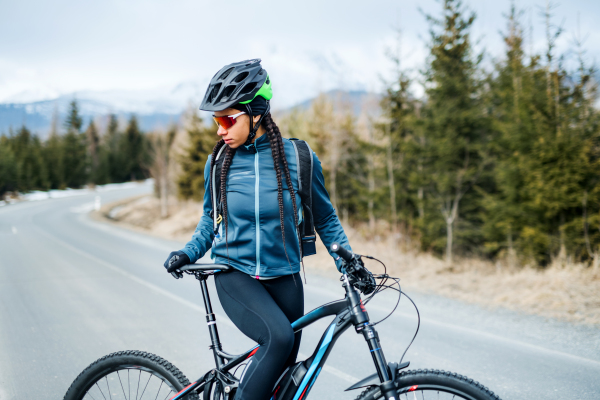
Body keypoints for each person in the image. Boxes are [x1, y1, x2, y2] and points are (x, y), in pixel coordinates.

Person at [163, 59, 353, 400]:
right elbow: (210, 218)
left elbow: (325, 218)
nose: (219, 129)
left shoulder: (299, 157)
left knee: (282, 382)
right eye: (215, 120)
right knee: (278, 338)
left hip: (286, 277)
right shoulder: (219, 161)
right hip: (234, 272)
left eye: (226, 119)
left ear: (255, 113)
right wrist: (188, 251)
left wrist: (349, 262)